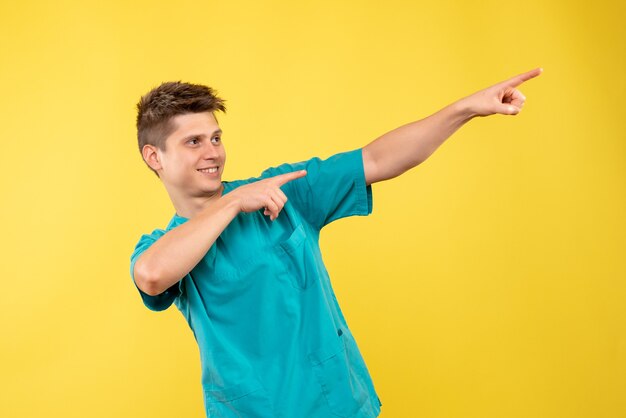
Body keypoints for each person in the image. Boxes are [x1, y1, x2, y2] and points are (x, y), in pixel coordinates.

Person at [130, 67, 542, 418]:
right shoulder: (165, 245)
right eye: (194, 141)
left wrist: (466, 108)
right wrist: (234, 201)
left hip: (339, 402)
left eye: (216, 138)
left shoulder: (281, 192)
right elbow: (151, 276)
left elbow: (377, 160)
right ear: (154, 157)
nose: (213, 153)